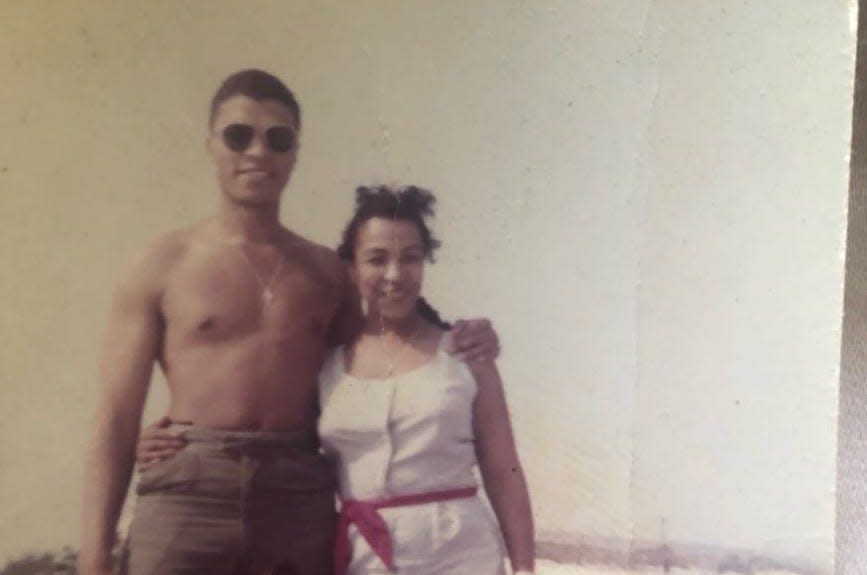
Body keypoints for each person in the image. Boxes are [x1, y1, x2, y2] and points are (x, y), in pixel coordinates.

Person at [78, 69, 498, 575]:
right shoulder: (162, 263)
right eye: (239, 135)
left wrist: (462, 336)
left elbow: (376, 355)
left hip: (296, 492)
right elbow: (115, 419)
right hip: (189, 491)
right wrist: (95, 554)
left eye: (277, 139)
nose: (257, 151)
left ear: (294, 153)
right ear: (211, 145)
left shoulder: (324, 273)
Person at [140, 185, 535, 574]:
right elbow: (273, 433)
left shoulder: (466, 355)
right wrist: (167, 439)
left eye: (410, 258)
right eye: (377, 259)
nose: (395, 275)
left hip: (462, 555)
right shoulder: (327, 367)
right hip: (365, 558)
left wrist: (523, 569)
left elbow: (504, 472)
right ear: (351, 268)